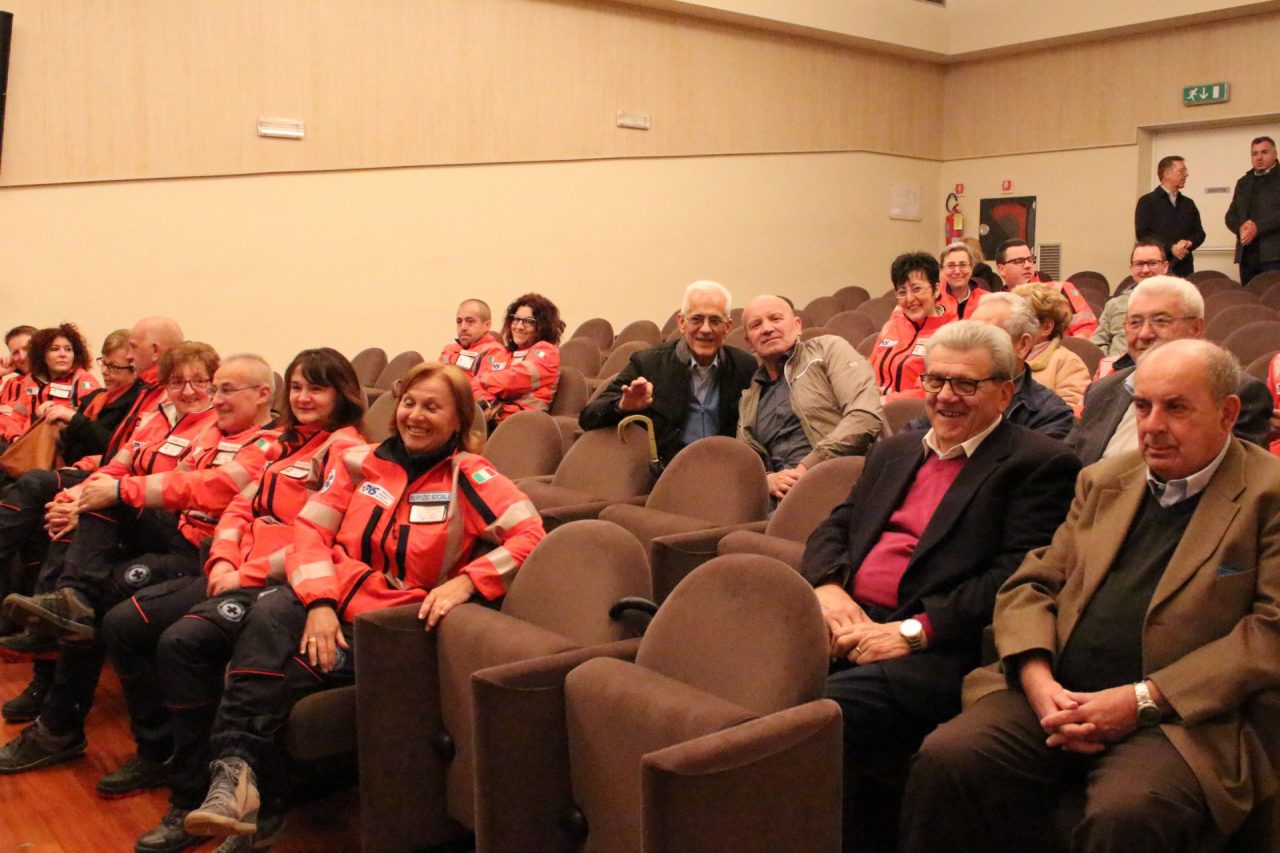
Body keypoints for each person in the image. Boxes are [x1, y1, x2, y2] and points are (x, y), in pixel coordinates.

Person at [901, 339, 1280, 853]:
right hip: (1056, 695)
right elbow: (1033, 583)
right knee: (949, 758)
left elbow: (1268, 631)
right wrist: (1037, 679)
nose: (1152, 424)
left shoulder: (1267, 494)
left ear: (1228, 413)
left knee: (1128, 814)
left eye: (1176, 407)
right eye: (1142, 405)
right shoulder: (1105, 480)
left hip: (1182, 717)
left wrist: (1141, 700)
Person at [179, 362, 545, 842]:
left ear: (459, 420)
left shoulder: (471, 476)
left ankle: (249, 803)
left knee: (271, 676)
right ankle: (239, 790)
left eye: (432, 407)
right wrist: (320, 605)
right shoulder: (360, 462)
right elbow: (311, 531)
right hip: (326, 599)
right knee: (267, 612)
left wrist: (469, 582)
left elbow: (531, 535)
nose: (415, 416)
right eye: (409, 403)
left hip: (390, 625)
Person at [800, 320, 1079, 850]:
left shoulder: (1039, 464)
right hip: (845, 618)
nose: (946, 396)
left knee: (811, 711)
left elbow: (1014, 577)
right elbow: (836, 526)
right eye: (934, 380)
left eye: (965, 385)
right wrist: (828, 589)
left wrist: (911, 631)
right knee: (735, 671)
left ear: (1006, 391)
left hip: (938, 647)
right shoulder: (895, 449)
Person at [100, 348, 367, 853]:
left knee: (183, 641)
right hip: (233, 570)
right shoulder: (284, 445)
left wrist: (244, 570)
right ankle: (165, 755)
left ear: (343, 395)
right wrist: (222, 558)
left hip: (281, 581)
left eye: (318, 388)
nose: (304, 397)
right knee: (124, 624)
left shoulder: (347, 452)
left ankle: (194, 793)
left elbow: (322, 540)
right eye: (298, 387)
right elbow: (238, 508)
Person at [0, 350, 281, 773]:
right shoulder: (208, 433)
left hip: (207, 554)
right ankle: (64, 627)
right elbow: (130, 468)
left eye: (219, 388)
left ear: (262, 395)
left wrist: (114, 493)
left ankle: (74, 724)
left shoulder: (269, 443)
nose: (209, 398)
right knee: (85, 553)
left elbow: (210, 488)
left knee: (97, 598)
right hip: (170, 533)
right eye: (213, 388)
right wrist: (80, 499)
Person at [1067, 275, 1271, 466]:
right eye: (1135, 322)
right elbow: (1069, 466)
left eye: (1161, 320)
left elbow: (1235, 487)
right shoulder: (1102, 390)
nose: (1145, 333)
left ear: (1196, 328)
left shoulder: (1238, 392)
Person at [579, 281, 756, 466]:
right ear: (681, 322)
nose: (705, 329)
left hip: (724, 470)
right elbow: (588, 417)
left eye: (715, 321)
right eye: (696, 319)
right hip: (668, 475)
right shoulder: (648, 364)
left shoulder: (745, 367)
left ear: (727, 327)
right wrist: (622, 405)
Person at [736, 295, 883, 502]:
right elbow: (746, 457)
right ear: (749, 342)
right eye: (756, 325)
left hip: (841, 480)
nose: (767, 329)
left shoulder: (828, 351)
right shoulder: (752, 394)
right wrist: (767, 479)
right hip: (780, 498)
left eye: (776, 319)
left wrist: (807, 467)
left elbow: (864, 416)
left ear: (797, 326)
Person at [967, 292, 1074, 438]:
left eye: (988, 337)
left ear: (1023, 345)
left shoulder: (1051, 415)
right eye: (970, 334)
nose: (970, 346)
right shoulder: (948, 391)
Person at [870, 252, 955, 401]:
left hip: (915, 417)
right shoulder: (893, 325)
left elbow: (930, 389)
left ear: (936, 290)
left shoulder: (950, 334)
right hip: (874, 409)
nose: (909, 299)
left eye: (917, 289)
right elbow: (869, 368)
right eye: (902, 292)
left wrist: (885, 401)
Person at [0, 323, 101, 445]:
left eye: (68, 349)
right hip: (22, 445)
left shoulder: (82, 379)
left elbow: (90, 423)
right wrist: (16, 438)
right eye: (54, 349)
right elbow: (17, 417)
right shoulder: (23, 382)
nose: (62, 354)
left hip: (63, 447)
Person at [471, 292, 563, 425]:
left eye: (528, 322)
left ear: (542, 326)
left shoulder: (546, 352)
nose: (519, 326)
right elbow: (474, 386)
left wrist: (484, 379)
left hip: (521, 426)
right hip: (493, 420)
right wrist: (488, 401)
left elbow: (509, 383)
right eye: (516, 319)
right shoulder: (506, 354)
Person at [1012, 283, 1091, 412]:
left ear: (1046, 327)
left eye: (1021, 318)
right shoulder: (998, 356)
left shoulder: (1068, 363)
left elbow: (1067, 419)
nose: (1011, 323)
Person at [995, 239, 1096, 337]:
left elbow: (1087, 330)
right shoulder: (995, 302)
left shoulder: (1060, 289)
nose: (1028, 265)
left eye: (1030, 260)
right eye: (1018, 261)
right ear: (1001, 269)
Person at [1091, 240, 1169, 360]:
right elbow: (1097, 344)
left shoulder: (1179, 304)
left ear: (1165, 267)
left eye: (1152, 263)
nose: (1145, 270)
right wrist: (1108, 363)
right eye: (1139, 264)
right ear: (1131, 268)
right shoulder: (1115, 305)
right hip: (1117, 373)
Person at [1135, 155, 1205, 277]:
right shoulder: (1147, 201)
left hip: (1185, 267)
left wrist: (1189, 243)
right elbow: (1143, 234)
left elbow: (1199, 233)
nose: (1186, 174)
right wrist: (1171, 248)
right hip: (1157, 267)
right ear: (1167, 173)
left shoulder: (1188, 203)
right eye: (1182, 170)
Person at [1226, 135, 1280, 286]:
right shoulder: (1244, 182)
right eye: (1254, 154)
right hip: (1247, 256)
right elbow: (1230, 216)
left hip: (1274, 255)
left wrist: (1258, 228)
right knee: (1250, 300)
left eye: (1264, 152)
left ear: (1275, 154)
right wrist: (1240, 227)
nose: (1259, 158)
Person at [439, 298, 506, 376]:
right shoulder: (449, 350)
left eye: (470, 321)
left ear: (487, 325)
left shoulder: (495, 352)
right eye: (459, 322)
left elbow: (485, 385)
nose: (463, 327)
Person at [938, 242, 988, 319]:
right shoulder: (932, 298)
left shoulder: (986, 300)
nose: (957, 271)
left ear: (971, 268)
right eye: (951, 265)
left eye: (963, 265)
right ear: (942, 270)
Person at [0, 324, 37, 399]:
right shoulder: (12, 384)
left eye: (27, 348)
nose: (22, 357)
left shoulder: (63, 378)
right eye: (15, 352)